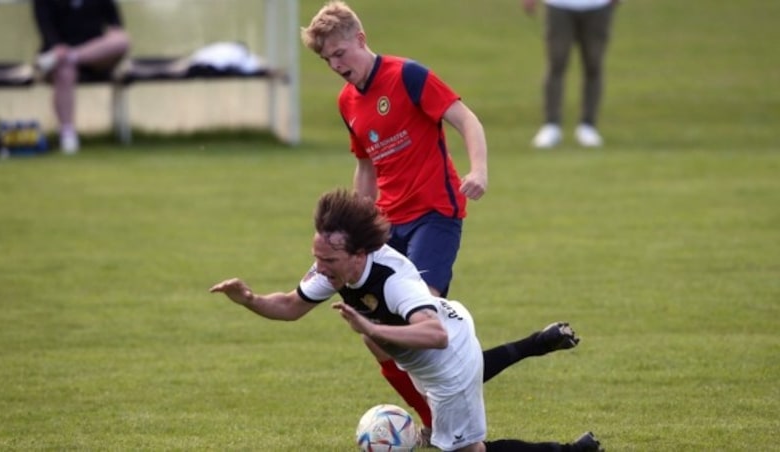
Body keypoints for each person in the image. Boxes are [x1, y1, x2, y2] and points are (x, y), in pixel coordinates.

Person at [210, 188, 603, 452]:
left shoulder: (395, 280)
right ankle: (533, 345)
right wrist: (248, 299)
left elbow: (435, 335)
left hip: (448, 356)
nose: (319, 268)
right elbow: (291, 305)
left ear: (359, 253)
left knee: (465, 449)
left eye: (328, 260)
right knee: (377, 343)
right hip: (432, 343)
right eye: (316, 257)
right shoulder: (336, 268)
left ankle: (570, 450)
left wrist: (372, 327)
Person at [300, 2, 491, 442]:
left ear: (361, 40)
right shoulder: (347, 101)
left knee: (422, 318)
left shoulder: (408, 76)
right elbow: (365, 167)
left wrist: (477, 171)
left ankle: (456, 417)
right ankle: (432, 417)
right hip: (387, 226)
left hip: (435, 215)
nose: (335, 65)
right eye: (327, 59)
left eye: (340, 53)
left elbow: (466, 119)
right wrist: (355, 226)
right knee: (376, 339)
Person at [32, 0, 130, 154]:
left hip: (95, 57)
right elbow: (46, 29)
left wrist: (113, 32)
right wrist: (57, 47)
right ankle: (67, 133)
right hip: (59, 58)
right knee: (64, 71)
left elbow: (116, 26)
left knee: (122, 41)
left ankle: (74, 55)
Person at [523, 0, 619, 149]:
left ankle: (588, 125)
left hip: (597, 6)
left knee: (593, 64)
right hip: (559, 5)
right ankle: (551, 124)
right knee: (557, 62)